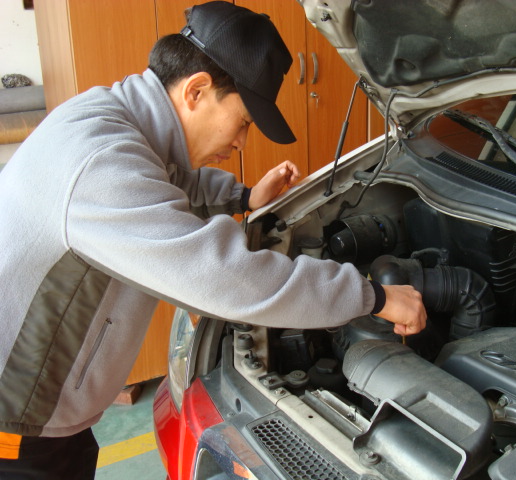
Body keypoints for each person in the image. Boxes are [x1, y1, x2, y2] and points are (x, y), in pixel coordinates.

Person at [0, 2, 426, 478]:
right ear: (196, 90)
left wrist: (244, 196)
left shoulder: (118, 119)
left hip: (49, 410)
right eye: (243, 121)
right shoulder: (99, 163)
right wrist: (372, 297)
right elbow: (226, 277)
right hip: (16, 423)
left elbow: (169, 179)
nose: (242, 141)